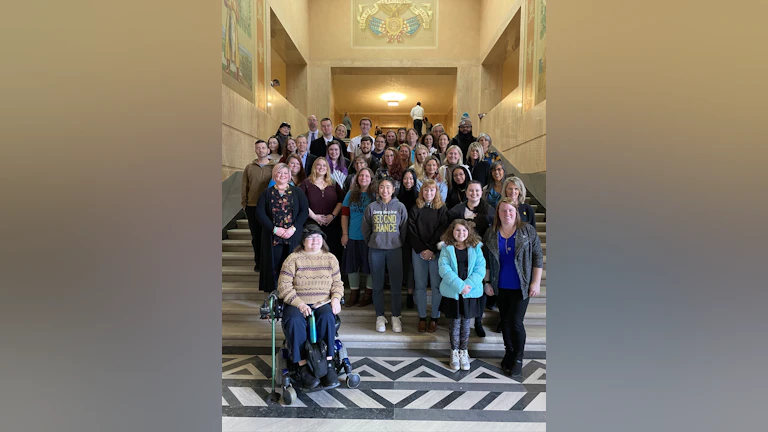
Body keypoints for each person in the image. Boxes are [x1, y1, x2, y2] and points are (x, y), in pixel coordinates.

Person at [277, 224, 344, 389]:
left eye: (318, 238)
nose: (315, 241)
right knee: (293, 320)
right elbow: (284, 286)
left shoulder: (330, 258)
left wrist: (336, 298)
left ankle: (327, 363)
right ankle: (303, 366)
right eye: (311, 238)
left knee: (327, 317)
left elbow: (338, 283)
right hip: (297, 301)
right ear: (303, 241)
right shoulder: (293, 259)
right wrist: (299, 304)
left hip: (322, 302)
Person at [483, 198, 543, 377]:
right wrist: (487, 282)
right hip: (500, 285)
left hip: (521, 286)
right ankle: (508, 352)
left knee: (516, 322)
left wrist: (536, 282)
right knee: (506, 321)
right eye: (503, 210)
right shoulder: (491, 233)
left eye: (510, 210)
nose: (506, 214)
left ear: (516, 212)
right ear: (498, 213)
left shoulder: (527, 230)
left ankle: (518, 357)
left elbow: (537, 257)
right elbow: (487, 261)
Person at [445, 180, 495, 337]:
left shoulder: (489, 211)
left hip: (482, 253)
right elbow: (449, 230)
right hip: (461, 253)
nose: (474, 194)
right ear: (466, 193)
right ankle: (459, 318)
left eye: (477, 191)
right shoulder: (456, 211)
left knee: (479, 286)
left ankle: (478, 322)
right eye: (471, 191)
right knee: (461, 285)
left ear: (482, 192)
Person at [438, 219, 486, 372]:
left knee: (466, 323)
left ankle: (464, 351)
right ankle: (454, 352)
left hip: (470, 290)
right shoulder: (447, 248)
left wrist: (467, 286)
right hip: (454, 290)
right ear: (452, 231)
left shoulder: (476, 247)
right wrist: (460, 286)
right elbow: (444, 269)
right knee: (455, 322)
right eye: (457, 230)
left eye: (464, 230)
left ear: (469, 232)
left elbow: (480, 269)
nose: (461, 233)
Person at [362, 177, 408, 333]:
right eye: (382, 187)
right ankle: (380, 316)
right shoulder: (371, 207)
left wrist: (397, 242)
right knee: (377, 285)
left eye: (388, 187)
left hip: (395, 250)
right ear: (378, 189)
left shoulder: (400, 207)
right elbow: (366, 229)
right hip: (376, 250)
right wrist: (374, 241)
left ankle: (396, 316)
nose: (385, 190)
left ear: (393, 189)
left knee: (396, 285)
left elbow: (404, 229)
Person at [255, 163, 309, 292]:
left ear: (290, 176)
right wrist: (275, 229)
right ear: (274, 175)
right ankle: (275, 294)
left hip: (293, 235)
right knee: (274, 266)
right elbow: (260, 214)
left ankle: (292, 293)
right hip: (273, 236)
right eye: (279, 173)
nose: (282, 175)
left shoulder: (297, 192)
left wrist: (293, 228)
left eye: (285, 173)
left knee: (292, 265)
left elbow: (304, 211)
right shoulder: (266, 193)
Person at [408, 179, 447, 332]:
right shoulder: (415, 208)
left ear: (436, 192)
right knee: (420, 286)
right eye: (426, 190)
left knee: (437, 286)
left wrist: (431, 249)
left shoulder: (442, 209)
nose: (428, 193)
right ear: (421, 191)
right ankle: (422, 316)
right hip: (418, 252)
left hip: (436, 251)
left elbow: (443, 231)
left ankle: (435, 317)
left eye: (431, 190)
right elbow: (411, 231)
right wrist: (422, 249)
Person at [340, 168, 375, 307]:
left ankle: (368, 295)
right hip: (353, 236)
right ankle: (354, 294)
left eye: (367, 175)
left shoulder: (375, 195)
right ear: (357, 178)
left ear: (371, 178)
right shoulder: (350, 194)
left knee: (370, 267)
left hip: (369, 238)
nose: (364, 178)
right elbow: (344, 215)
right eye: (361, 175)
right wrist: (344, 234)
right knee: (352, 267)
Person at [300, 158, 344, 266]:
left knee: (333, 252)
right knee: (315, 253)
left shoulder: (333, 183)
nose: (321, 168)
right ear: (314, 167)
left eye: (324, 165)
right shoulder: (306, 183)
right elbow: (301, 202)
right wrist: (314, 217)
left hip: (332, 224)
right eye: (318, 165)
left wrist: (333, 216)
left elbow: (341, 200)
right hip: (312, 224)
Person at [241, 140, 275, 272]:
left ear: (268, 150)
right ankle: (259, 262)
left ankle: (268, 262)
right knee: (256, 236)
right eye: (258, 148)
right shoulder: (249, 167)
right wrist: (244, 203)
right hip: (252, 206)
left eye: (263, 148)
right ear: (255, 150)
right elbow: (244, 186)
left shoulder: (274, 167)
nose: (261, 150)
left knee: (268, 235)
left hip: (269, 207)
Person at [397, 169, 418, 310]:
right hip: (399, 235)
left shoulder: (418, 196)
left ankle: (410, 294)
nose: (408, 181)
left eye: (411, 178)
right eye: (405, 178)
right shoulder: (397, 196)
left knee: (411, 265)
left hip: (414, 235)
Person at [223, 0, 241, 80]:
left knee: (234, 47)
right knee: (228, 44)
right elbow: (226, 3)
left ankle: (237, 72)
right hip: (229, 22)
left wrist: (234, 9)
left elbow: (238, 17)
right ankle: (228, 67)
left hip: (233, 24)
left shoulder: (236, 3)